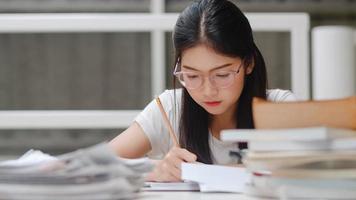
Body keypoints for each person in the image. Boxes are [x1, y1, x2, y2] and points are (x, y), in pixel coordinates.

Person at [109, 0, 296, 182]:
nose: (208, 91)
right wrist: (155, 169)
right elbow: (94, 167)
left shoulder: (279, 107)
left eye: (222, 75)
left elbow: (304, 169)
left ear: (249, 63)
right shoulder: (170, 108)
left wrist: (205, 173)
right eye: (192, 76)